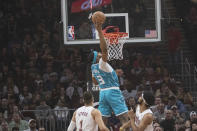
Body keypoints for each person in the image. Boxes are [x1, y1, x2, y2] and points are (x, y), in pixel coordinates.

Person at [89, 21, 129, 129]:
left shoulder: (93, 67)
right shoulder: (101, 63)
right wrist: (100, 32)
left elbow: (95, 82)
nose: (101, 54)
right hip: (113, 91)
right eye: (99, 54)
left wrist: (111, 75)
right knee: (125, 118)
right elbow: (105, 49)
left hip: (102, 93)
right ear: (97, 58)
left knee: (103, 121)